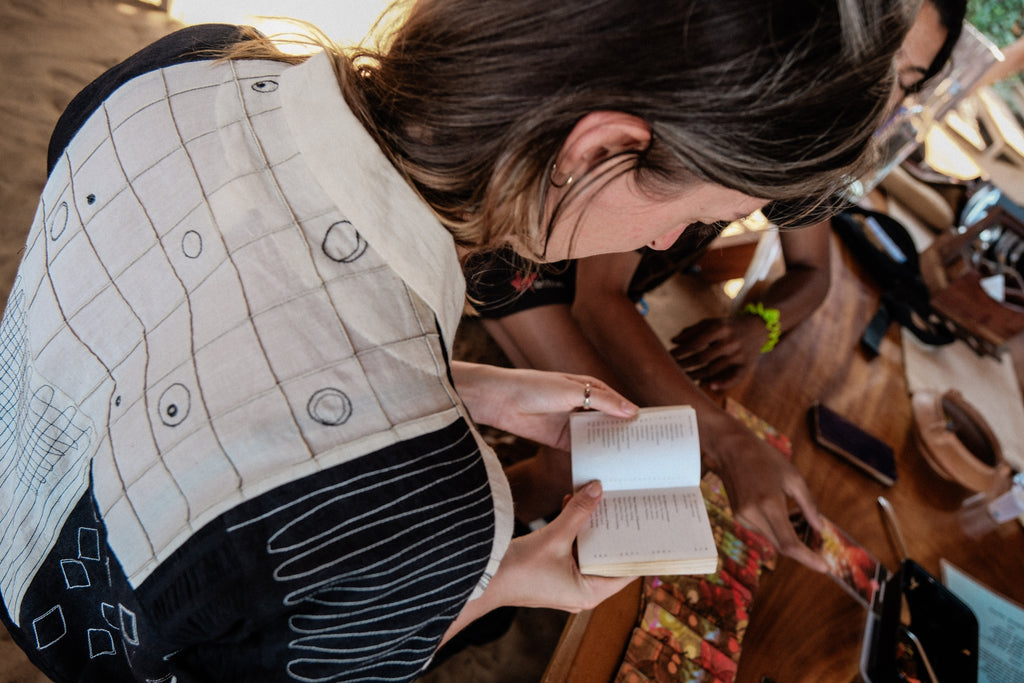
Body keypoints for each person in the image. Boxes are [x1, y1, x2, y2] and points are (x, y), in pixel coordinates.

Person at [0, 0, 911, 680]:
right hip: (86, 628)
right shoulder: (432, 514)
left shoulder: (184, 65)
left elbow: (186, 325)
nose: (665, 245)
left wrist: (467, 386)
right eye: (692, 215)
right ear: (597, 152)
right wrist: (499, 575)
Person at [467, 0, 965, 567]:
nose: (878, 99)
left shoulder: (808, 137)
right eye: (876, 66)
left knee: (629, 444)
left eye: (902, 81)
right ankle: (472, 570)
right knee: (596, 453)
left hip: (598, 277)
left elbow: (814, 272)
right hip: (533, 262)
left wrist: (761, 326)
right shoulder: (743, 107)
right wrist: (726, 439)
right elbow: (597, 302)